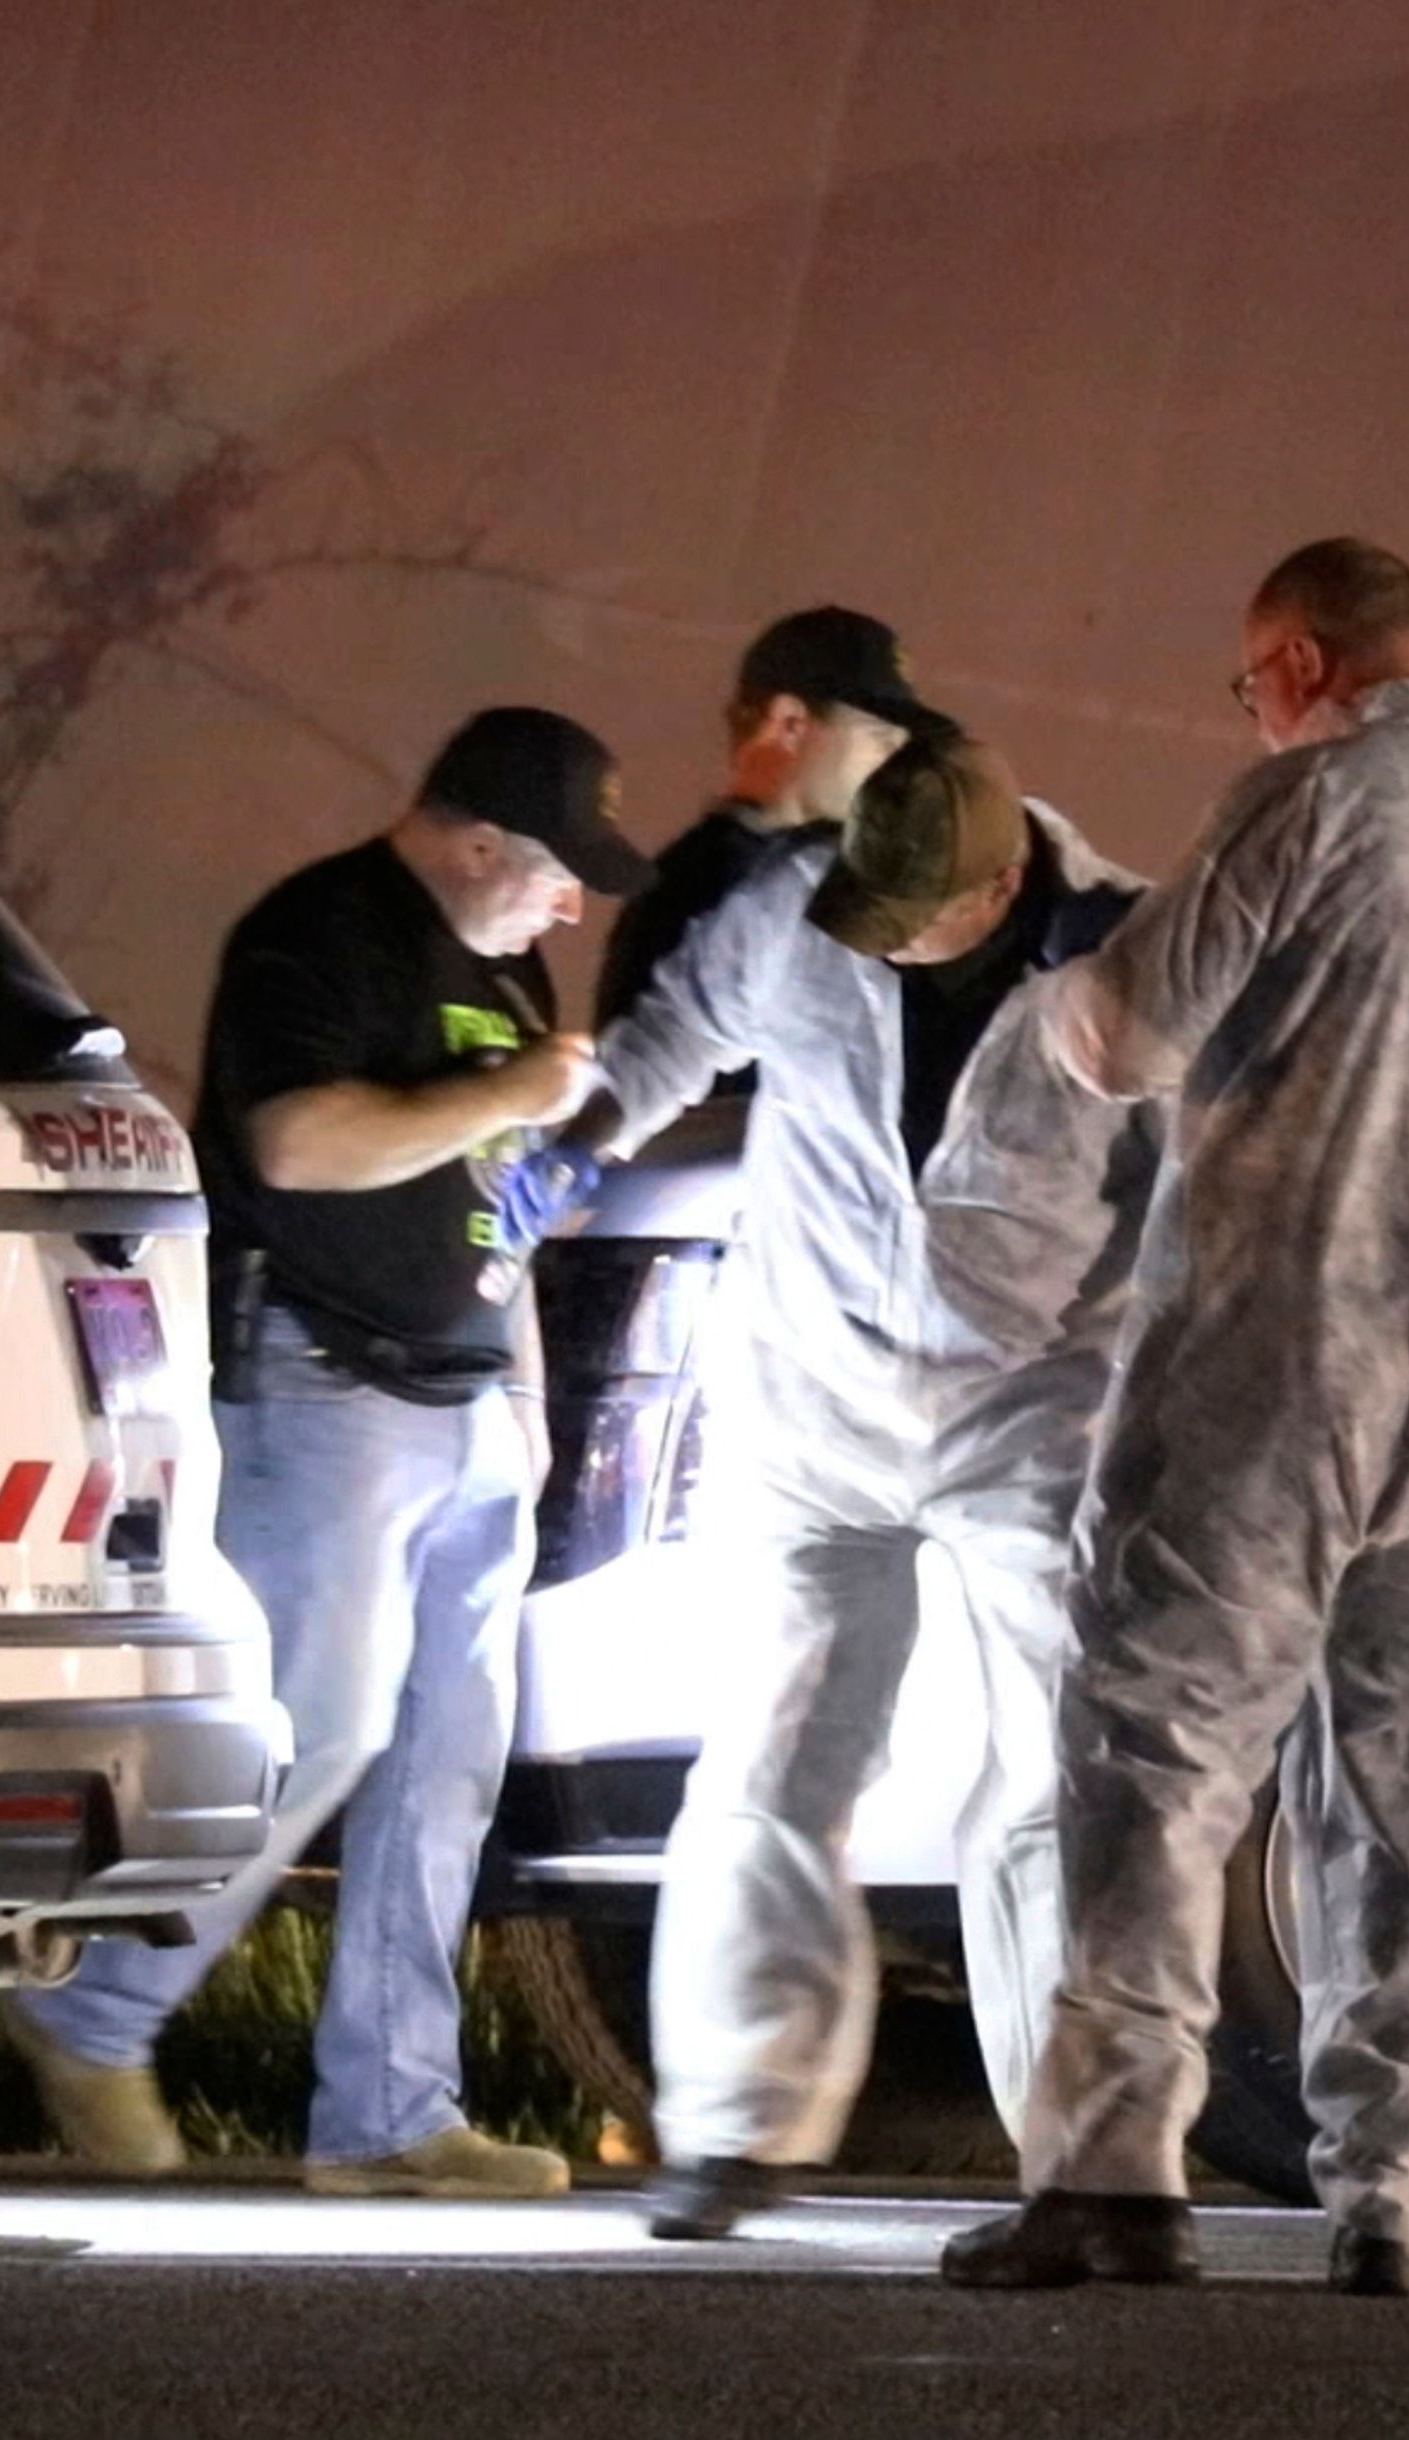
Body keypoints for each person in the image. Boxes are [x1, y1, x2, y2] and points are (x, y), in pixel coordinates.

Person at [945, 539, 1409, 2298]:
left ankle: (1115, 2175)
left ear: (1295, 662)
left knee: (1156, 1741)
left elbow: (1132, 1035)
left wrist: (1061, 984)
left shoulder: (1308, 810)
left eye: (1246, 682)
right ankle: (1398, 2190)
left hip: (1280, 1349)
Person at [1, 706, 648, 2196]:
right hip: (326, 1388)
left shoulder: (502, 958)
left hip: (475, 1402)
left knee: (445, 1765)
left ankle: (393, 2117)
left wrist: (526, 1399)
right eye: (558, 872)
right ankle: (90, 2012)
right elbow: (296, 1146)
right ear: (478, 839)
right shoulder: (323, 931)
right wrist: (509, 1094)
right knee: (322, 1724)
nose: (571, 906)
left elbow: (504, 1193)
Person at [574, 731, 1158, 2241]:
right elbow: (674, 1033)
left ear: (1008, 880)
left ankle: (1089, 2165)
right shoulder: (796, 908)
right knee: (768, 1760)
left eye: (923, 920)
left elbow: (1201, 1181)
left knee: (1048, 1778)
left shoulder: (1133, 958)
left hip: (1026, 1407)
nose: (884, 943)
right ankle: (732, 2127)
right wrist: (578, 1139)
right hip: (810, 1406)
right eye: (867, 909)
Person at [597, 606, 947, 1041]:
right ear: (790, 725)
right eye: (880, 740)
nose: (895, 768)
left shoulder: (834, 885)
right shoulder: (696, 893)